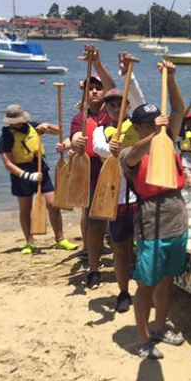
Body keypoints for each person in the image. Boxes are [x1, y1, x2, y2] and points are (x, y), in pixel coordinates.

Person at [120, 61, 187, 360]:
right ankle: (143, 337)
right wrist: (153, 135)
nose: (155, 128)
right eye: (147, 125)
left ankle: (160, 326)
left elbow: (179, 110)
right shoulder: (129, 152)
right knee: (146, 282)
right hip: (150, 220)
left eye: (155, 123)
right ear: (138, 128)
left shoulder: (168, 139)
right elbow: (134, 154)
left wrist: (171, 78)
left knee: (167, 279)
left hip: (176, 215)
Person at [92, 52, 145, 313]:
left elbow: (138, 99)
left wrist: (129, 74)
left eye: (119, 103)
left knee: (146, 248)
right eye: (111, 104)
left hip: (142, 196)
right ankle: (123, 292)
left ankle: (148, 289)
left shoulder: (137, 125)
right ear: (106, 108)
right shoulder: (99, 131)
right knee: (120, 249)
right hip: (117, 199)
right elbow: (100, 149)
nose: (115, 107)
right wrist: (111, 148)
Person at [0, 105, 78, 254]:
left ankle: (60, 239)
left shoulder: (33, 126)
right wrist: (28, 176)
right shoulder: (6, 136)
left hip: (41, 169)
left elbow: (59, 131)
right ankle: (29, 242)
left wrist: (47, 126)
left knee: (53, 204)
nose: (15, 123)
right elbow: (8, 164)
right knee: (26, 209)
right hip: (21, 175)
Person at [69, 45, 116, 288]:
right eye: (91, 89)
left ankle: (124, 265)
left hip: (116, 178)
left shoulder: (113, 113)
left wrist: (97, 62)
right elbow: (75, 142)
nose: (96, 91)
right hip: (92, 179)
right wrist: (74, 142)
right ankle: (94, 269)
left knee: (119, 226)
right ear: (85, 94)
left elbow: (113, 85)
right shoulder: (79, 118)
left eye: (99, 88)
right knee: (95, 225)